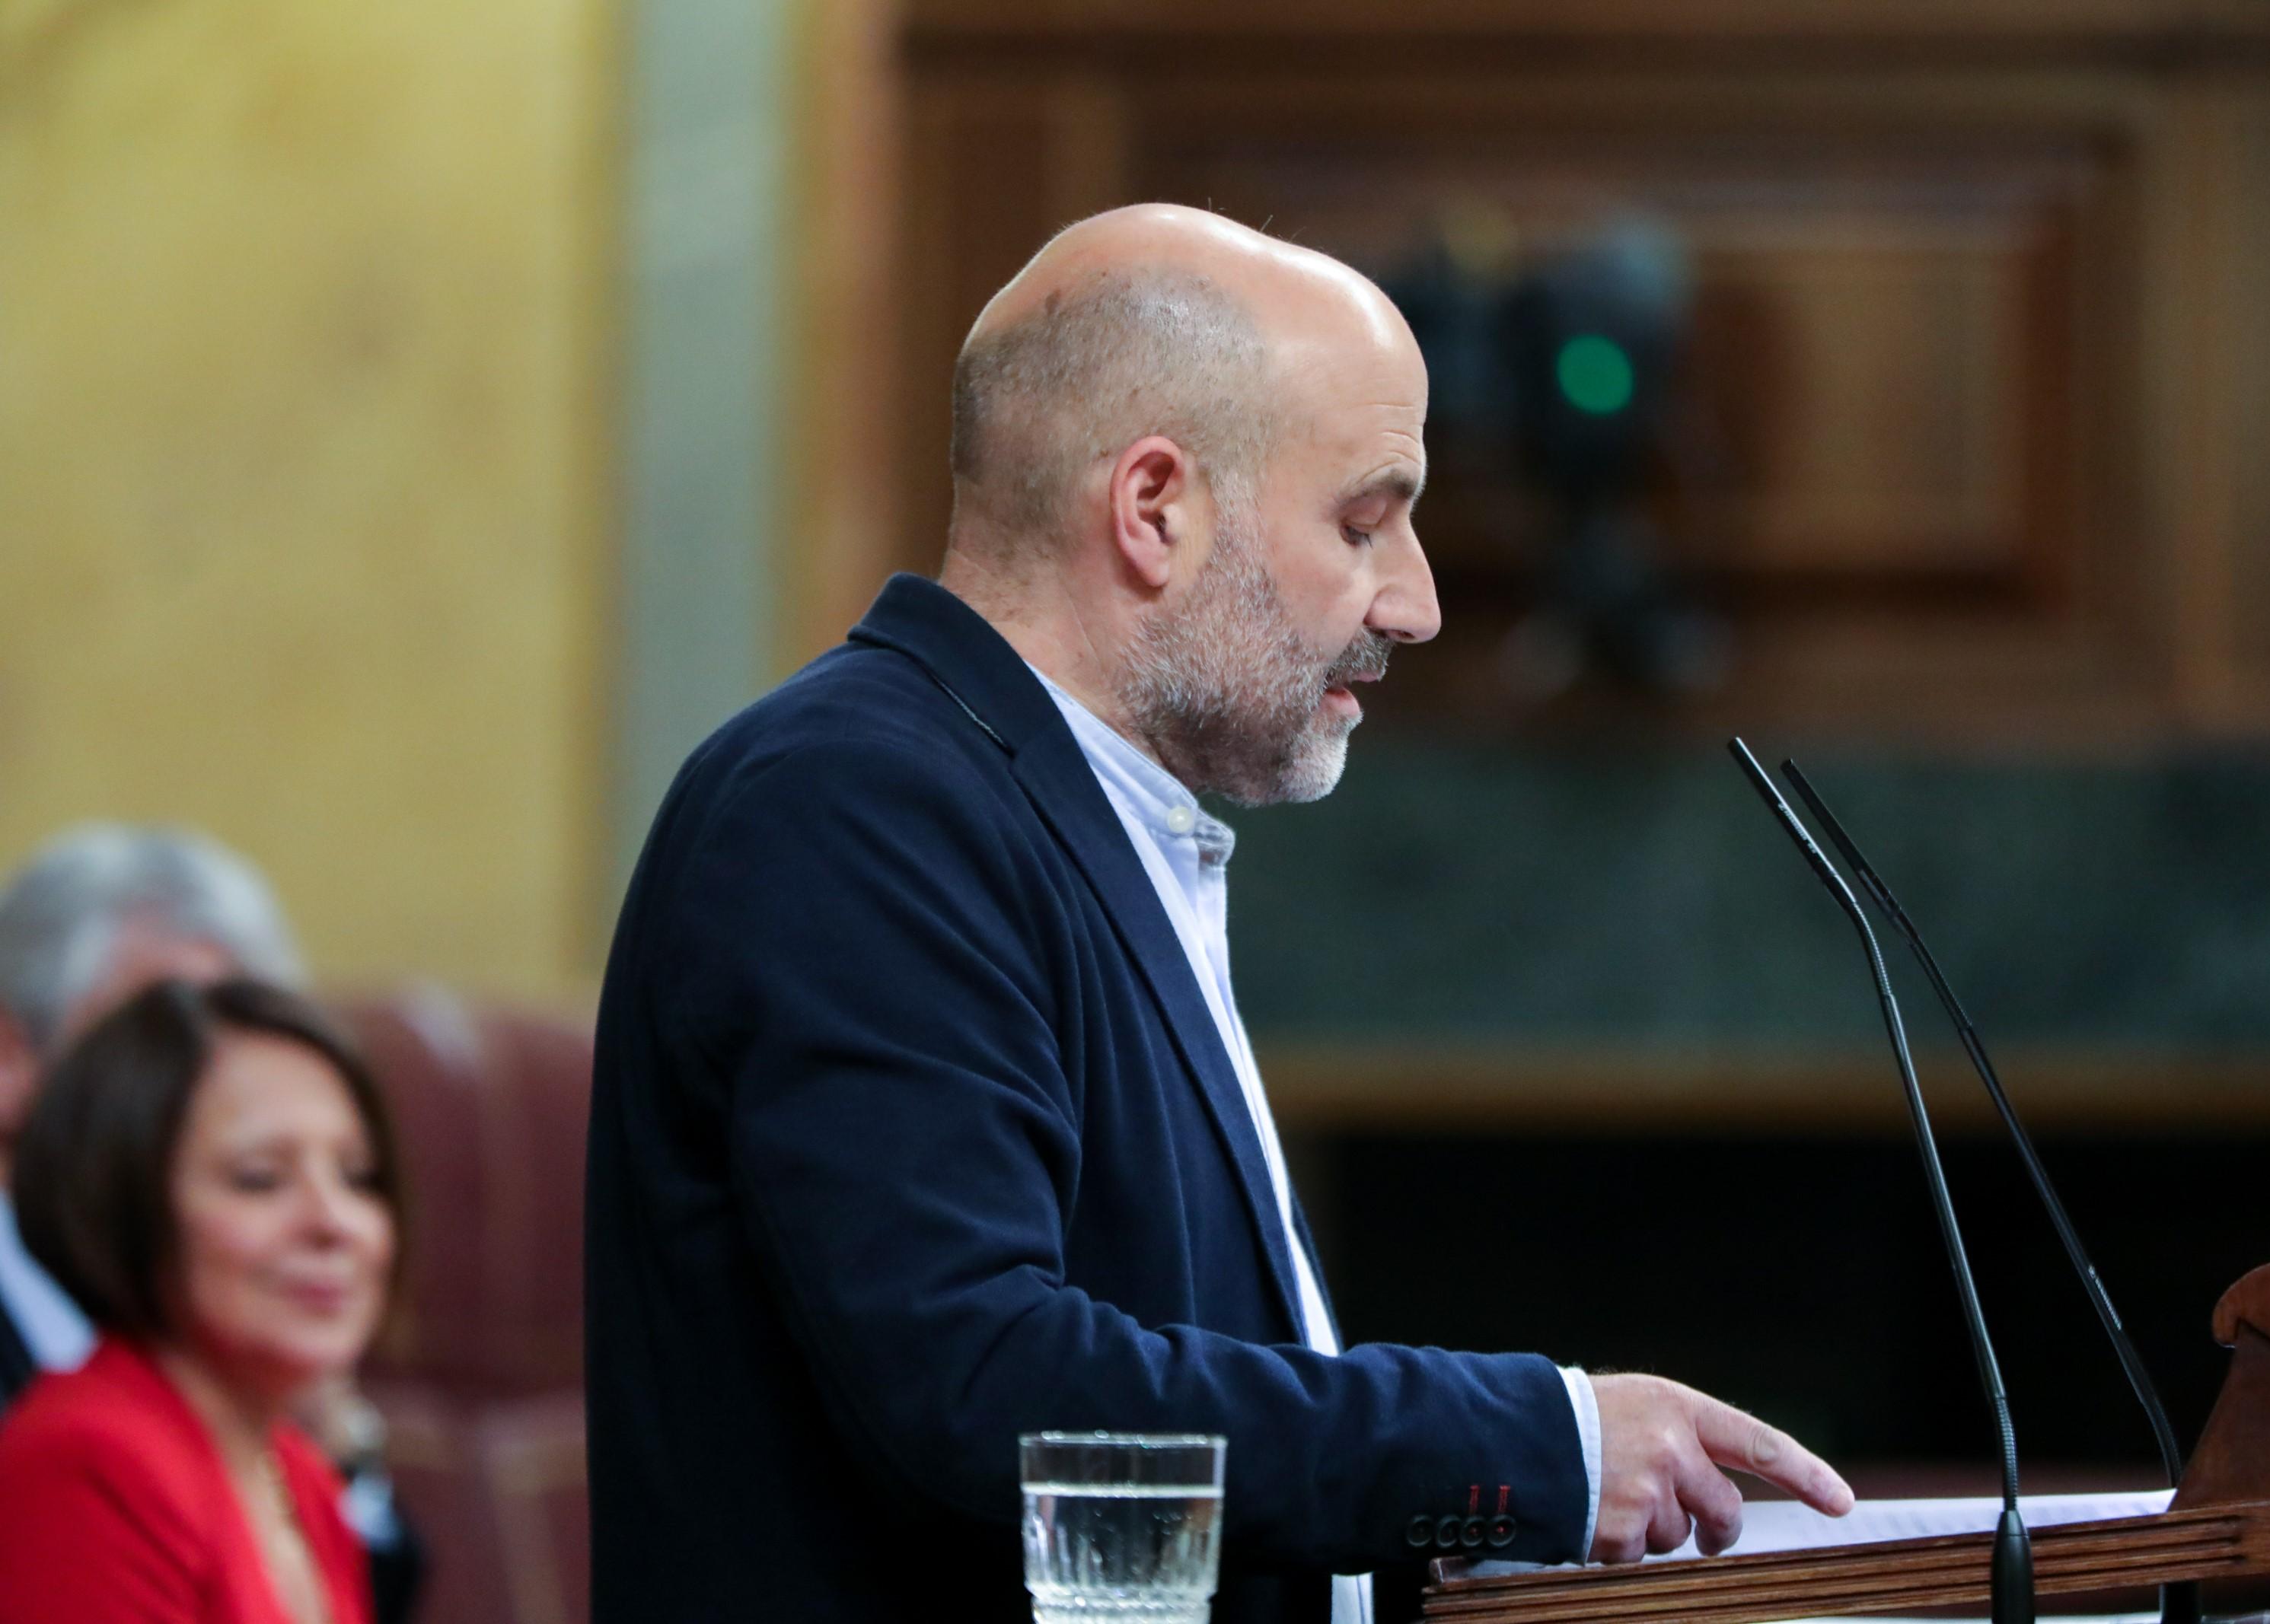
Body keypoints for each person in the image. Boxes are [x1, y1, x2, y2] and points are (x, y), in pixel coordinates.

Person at [585, 203, 1854, 1624]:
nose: (1420, 600)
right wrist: (1534, 1445)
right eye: (1365, 519)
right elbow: (985, 1387)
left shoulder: (1060, 809)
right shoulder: (856, 801)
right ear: (1154, 509)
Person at [0, 826, 424, 1622]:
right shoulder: (91, 1458)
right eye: (259, 1178)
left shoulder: (294, 1471)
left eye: (358, 1176)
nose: (334, 1222)